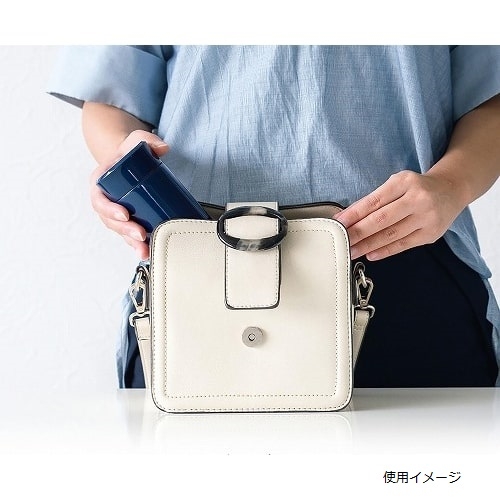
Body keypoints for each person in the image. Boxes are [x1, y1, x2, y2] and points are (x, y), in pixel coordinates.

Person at [47, 45, 500, 389]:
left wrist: (451, 184)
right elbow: (111, 95)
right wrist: (122, 158)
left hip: (403, 251)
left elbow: (491, 94)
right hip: (197, 262)